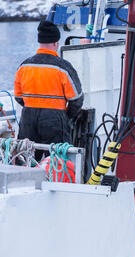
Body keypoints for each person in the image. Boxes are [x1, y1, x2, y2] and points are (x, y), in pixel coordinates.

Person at [14, 20, 83, 160]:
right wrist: (66, 116)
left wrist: (33, 106)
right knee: (59, 161)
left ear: (40, 42)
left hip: (28, 119)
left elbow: (18, 96)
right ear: (56, 43)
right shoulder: (63, 67)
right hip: (54, 120)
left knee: (27, 159)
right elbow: (77, 99)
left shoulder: (24, 66)